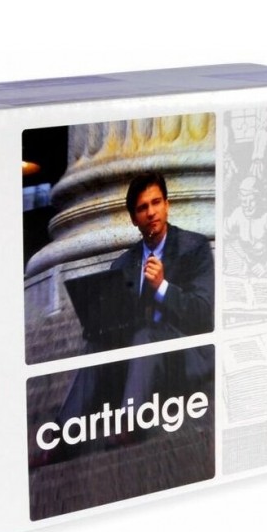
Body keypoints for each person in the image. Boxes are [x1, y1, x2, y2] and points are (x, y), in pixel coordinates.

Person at [56, 171, 214, 443]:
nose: (151, 212)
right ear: (133, 218)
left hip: (184, 355)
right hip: (135, 362)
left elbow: (203, 316)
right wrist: (98, 324)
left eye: (156, 203)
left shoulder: (194, 247)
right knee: (96, 346)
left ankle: (130, 422)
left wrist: (163, 286)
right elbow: (112, 324)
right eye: (142, 208)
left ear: (167, 205)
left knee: (146, 334)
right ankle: (61, 435)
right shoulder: (122, 265)